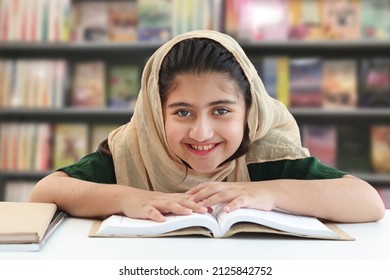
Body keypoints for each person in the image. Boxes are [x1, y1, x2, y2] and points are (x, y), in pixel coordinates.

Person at [30, 30, 385, 223]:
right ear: (157, 114)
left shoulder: (265, 152)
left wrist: (270, 192)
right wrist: (130, 198)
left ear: (249, 111)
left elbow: (367, 202)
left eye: (221, 111)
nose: (201, 133)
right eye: (182, 112)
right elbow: (45, 192)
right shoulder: (134, 148)